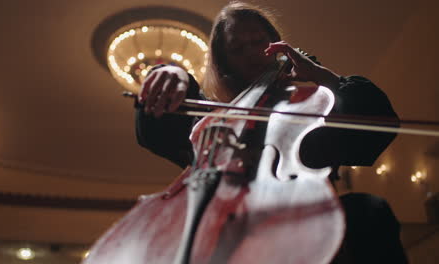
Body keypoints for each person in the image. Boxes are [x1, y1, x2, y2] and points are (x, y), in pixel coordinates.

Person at [135, 1, 408, 263]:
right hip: (224, 223)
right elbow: (158, 132)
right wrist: (171, 73)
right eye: (237, 49)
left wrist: (325, 77)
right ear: (225, 63)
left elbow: (377, 128)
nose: (252, 53)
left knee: (368, 212)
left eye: (258, 43)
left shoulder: (312, 107)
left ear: (276, 45)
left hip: (304, 217)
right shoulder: (216, 118)